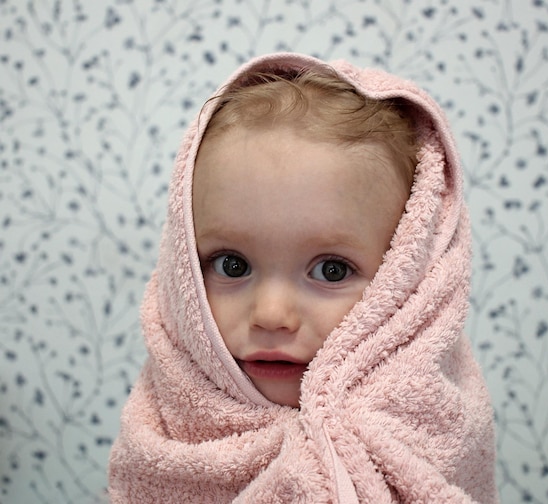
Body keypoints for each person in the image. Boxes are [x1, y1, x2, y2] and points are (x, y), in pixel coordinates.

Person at [108, 53, 498, 503]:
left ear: (408, 284)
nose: (272, 315)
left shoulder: (435, 429)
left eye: (331, 270)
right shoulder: (162, 437)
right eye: (232, 265)